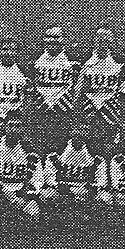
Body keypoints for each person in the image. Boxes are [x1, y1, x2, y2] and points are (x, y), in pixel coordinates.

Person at [0, 114, 43, 223]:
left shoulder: (29, 151)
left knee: (34, 212)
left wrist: (23, 197)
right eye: (11, 125)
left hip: (20, 196)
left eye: (17, 126)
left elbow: (37, 181)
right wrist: (4, 193)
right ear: (4, 127)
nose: (13, 130)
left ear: (22, 129)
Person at [40, 121, 112, 223]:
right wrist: (59, 186)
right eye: (78, 130)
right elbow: (49, 177)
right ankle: (53, 228)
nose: (80, 134)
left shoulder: (95, 155)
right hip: (63, 192)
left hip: (86, 193)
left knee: (105, 198)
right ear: (71, 132)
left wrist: (91, 188)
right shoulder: (57, 152)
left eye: (85, 131)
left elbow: (101, 180)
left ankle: (97, 230)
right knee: (46, 195)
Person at [74, 28, 125, 160]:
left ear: (111, 43)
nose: (102, 44)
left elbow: (123, 96)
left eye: (106, 41)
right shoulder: (87, 66)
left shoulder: (118, 66)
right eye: (100, 41)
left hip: (110, 116)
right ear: (95, 42)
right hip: (91, 116)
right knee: (91, 152)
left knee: (110, 151)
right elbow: (78, 93)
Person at [31, 27, 81, 156]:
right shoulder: (36, 62)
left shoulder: (72, 61)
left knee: (61, 150)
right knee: (40, 149)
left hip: (63, 112)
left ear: (63, 42)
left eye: (56, 42)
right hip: (41, 112)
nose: (53, 45)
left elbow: (77, 89)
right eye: (49, 42)